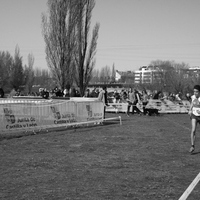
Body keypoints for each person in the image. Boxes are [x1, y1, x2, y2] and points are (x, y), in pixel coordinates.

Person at [188, 85, 200, 154]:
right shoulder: (193, 97)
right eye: (194, 91)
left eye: (197, 92)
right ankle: (192, 146)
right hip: (194, 115)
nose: (195, 93)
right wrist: (190, 110)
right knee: (193, 130)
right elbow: (192, 104)